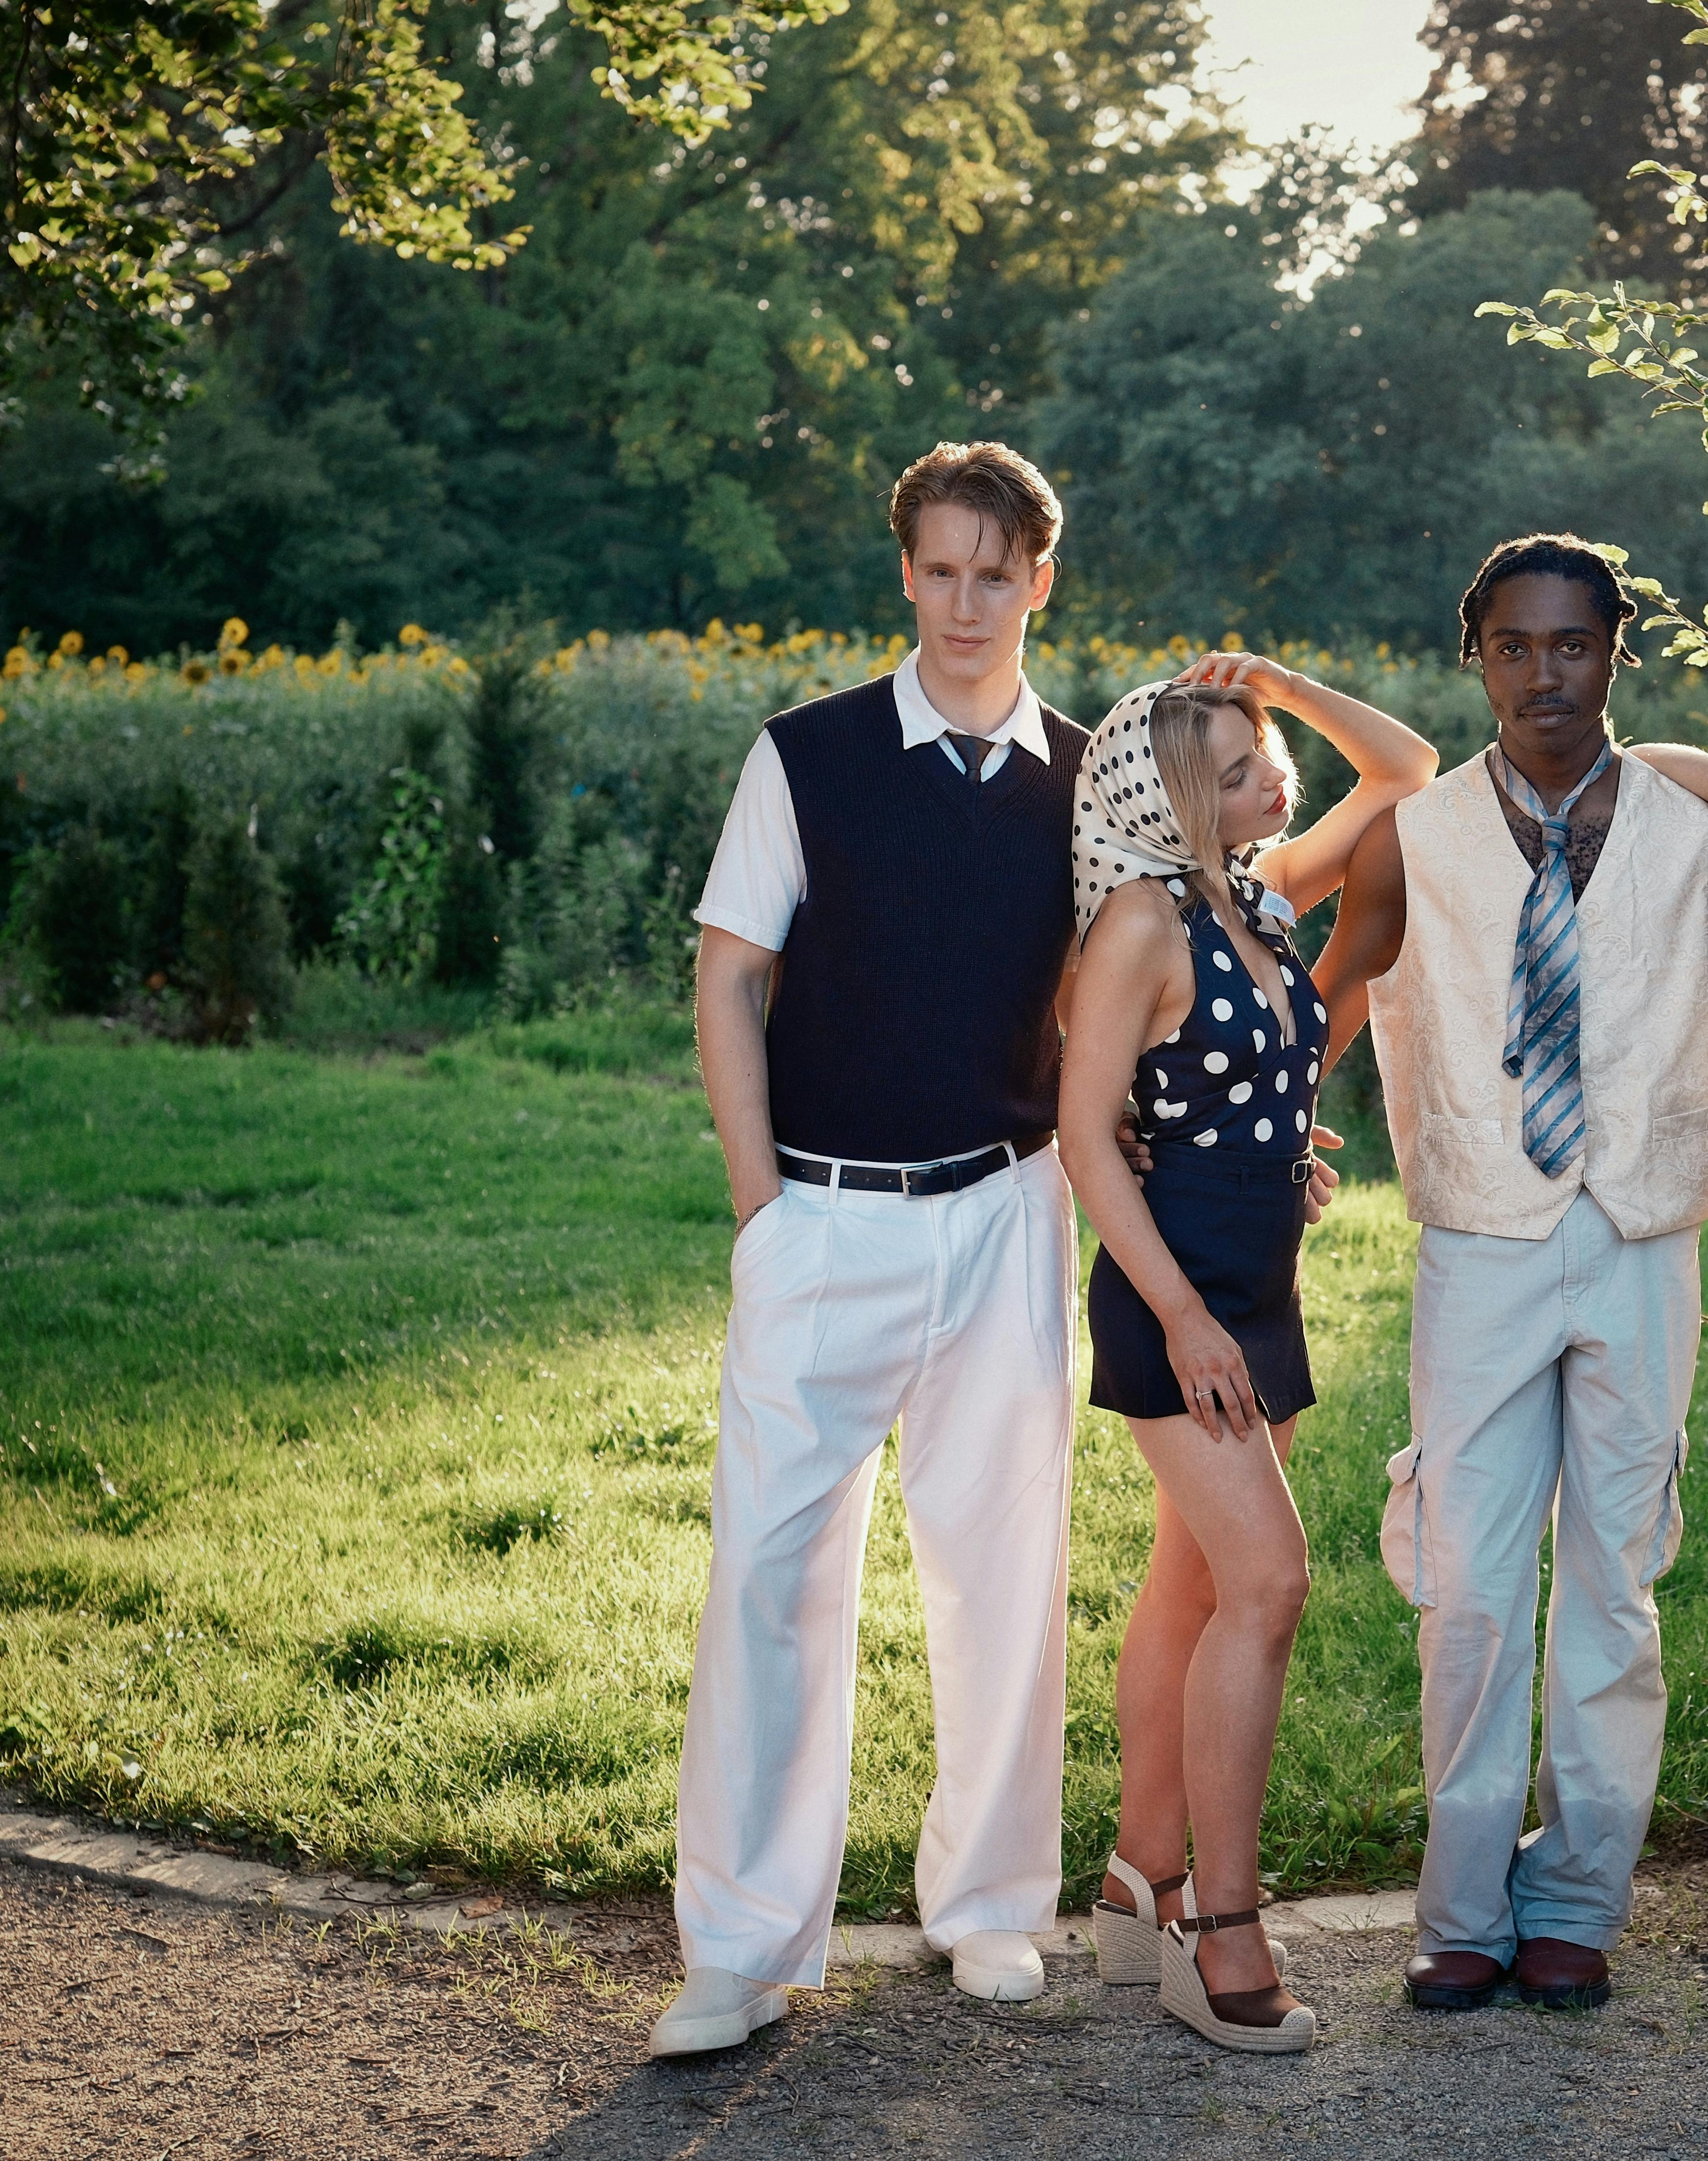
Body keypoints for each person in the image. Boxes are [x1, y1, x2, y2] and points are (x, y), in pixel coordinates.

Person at [1312, 532, 1708, 2013]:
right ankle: (1463, 1906)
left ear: (1617, 654)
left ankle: (1580, 1900)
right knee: (1472, 1584)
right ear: (1477, 655)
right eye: (1517, 645)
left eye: (1577, 644)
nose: (1548, 672)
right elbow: (1336, 999)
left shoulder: (1701, 825)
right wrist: (1267, 1136)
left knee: (1619, 1578)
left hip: (1642, 1236)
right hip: (1479, 1235)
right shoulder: (1410, 837)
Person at [654, 442, 1092, 2055]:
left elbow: (1131, 996)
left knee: (1002, 1573)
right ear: (905, 573)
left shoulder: (1088, 774)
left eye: (999, 572)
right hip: (821, 1219)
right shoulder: (808, 755)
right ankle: (746, 1942)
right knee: (770, 1573)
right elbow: (726, 978)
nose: (968, 601)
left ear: (1040, 582)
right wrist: (763, 1208)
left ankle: (988, 1908)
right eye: (941, 569)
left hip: (1002, 1208)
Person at [1058, 658, 1437, 2052]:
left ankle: (1133, 1871)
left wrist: (1279, 681)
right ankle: (1218, 1919)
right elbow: (1086, 1136)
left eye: (1265, 751)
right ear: (1167, 801)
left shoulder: (1259, 900)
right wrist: (1184, 1314)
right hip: (1181, 1304)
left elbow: (1404, 770)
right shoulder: (1143, 925)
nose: (1270, 781)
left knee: (1194, 1582)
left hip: (1257, 1284)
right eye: (1230, 771)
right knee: (1269, 1582)